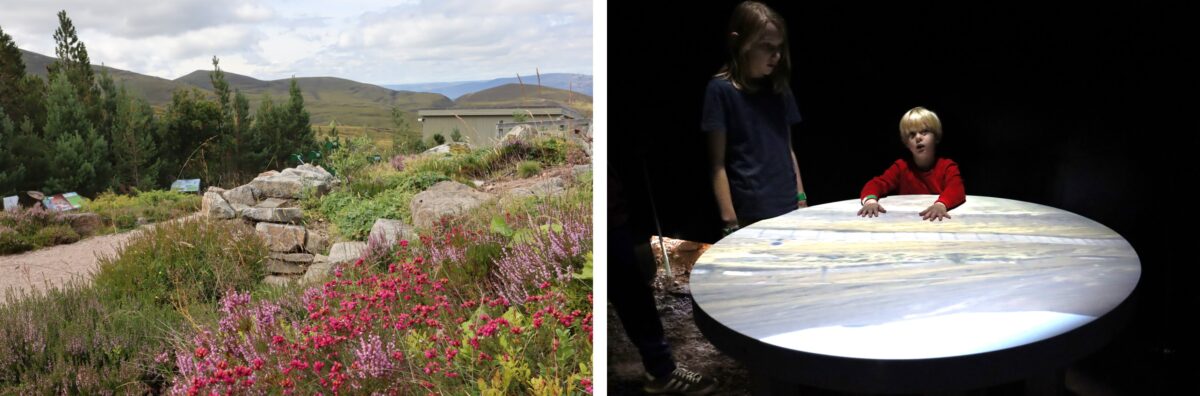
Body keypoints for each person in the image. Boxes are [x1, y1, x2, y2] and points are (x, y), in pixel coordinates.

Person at [702, 1, 807, 237]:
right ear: (739, 42)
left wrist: (801, 197)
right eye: (767, 46)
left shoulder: (779, 88)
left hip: (789, 206)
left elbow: (788, 149)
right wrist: (729, 220)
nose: (776, 55)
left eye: (779, 47)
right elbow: (717, 163)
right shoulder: (720, 91)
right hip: (750, 214)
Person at [609, 168, 719, 395]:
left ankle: (660, 368)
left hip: (616, 216)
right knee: (632, 294)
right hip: (611, 222)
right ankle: (661, 370)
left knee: (633, 293)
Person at [858, 106, 966, 221]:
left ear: (936, 137)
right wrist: (870, 201)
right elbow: (876, 184)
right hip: (907, 222)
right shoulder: (900, 167)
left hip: (936, 222)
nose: (918, 138)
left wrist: (941, 204)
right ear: (906, 144)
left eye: (924, 132)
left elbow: (957, 188)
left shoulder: (947, 166)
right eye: (912, 135)